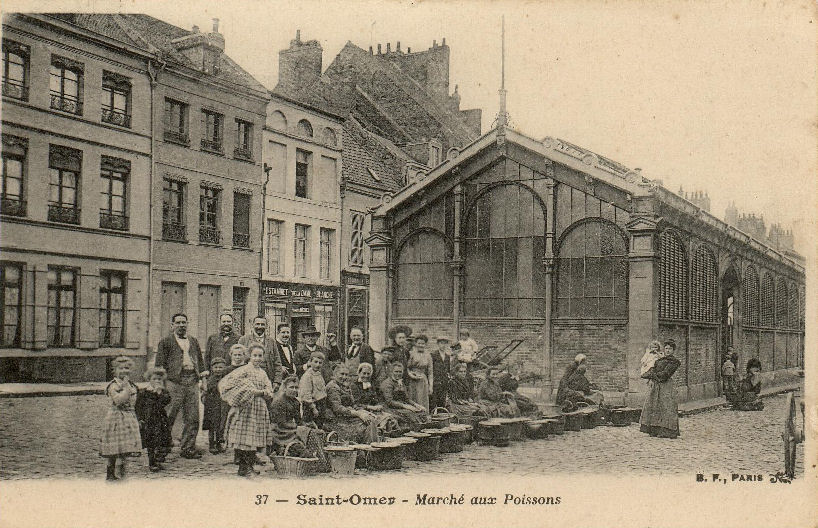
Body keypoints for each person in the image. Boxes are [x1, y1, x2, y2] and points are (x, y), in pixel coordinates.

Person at [154, 313, 207, 459]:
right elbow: (158, 366)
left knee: (192, 416)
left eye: (184, 322)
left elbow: (200, 363)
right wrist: (159, 385)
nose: (181, 325)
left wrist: (203, 383)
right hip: (174, 382)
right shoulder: (165, 342)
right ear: (172, 325)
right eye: (178, 323)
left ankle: (188, 447)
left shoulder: (193, 341)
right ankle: (162, 449)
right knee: (168, 416)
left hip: (192, 381)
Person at [219, 344, 275, 477]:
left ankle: (249, 465)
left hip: (259, 408)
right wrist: (251, 391)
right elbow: (230, 383)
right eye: (255, 355)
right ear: (250, 356)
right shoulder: (244, 370)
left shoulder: (263, 373)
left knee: (254, 438)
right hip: (246, 407)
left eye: (260, 356)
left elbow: (269, 388)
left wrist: (267, 392)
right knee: (244, 438)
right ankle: (243, 466)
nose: (257, 358)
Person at [100, 356, 142, 481]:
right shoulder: (113, 386)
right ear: (114, 370)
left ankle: (122, 471)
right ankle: (110, 473)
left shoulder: (131, 384)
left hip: (129, 417)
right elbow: (118, 400)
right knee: (114, 447)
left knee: (126, 446)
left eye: (127, 368)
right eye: (121, 368)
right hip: (116, 418)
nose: (124, 370)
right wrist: (126, 389)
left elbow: (136, 401)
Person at [323, 364, 379, 443]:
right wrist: (359, 414)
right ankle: (368, 448)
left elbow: (353, 404)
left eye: (346, 375)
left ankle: (371, 447)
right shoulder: (333, 387)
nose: (344, 377)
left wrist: (364, 412)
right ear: (335, 374)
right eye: (342, 374)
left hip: (347, 415)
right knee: (368, 423)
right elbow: (337, 408)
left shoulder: (345, 386)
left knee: (371, 418)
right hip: (336, 419)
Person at [640, 339, 681, 438]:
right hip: (656, 385)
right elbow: (651, 370)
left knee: (667, 407)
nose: (667, 351)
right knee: (654, 405)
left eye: (670, 349)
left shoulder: (674, 362)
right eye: (666, 348)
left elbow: (665, 374)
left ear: (673, 350)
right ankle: (655, 429)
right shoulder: (659, 360)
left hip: (666, 386)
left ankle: (668, 431)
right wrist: (646, 374)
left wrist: (652, 375)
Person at [135, 366, 172, 472]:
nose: (157, 381)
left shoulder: (163, 392)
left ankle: (159, 459)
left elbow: (166, 401)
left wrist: (159, 393)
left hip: (161, 419)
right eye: (154, 379)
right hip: (149, 420)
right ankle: (152, 463)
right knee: (151, 442)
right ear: (149, 379)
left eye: (159, 379)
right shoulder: (144, 392)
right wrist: (140, 418)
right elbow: (138, 407)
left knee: (162, 439)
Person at [238, 316, 283, 392]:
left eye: (262, 324)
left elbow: (277, 363)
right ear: (252, 325)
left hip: (268, 382)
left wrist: (277, 381)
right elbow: (238, 361)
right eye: (257, 324)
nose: (259, 326)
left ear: (266, 326)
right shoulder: (244, 340)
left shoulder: (271, 341)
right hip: (248, 382)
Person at [379, 362, 429, 429]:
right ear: (391, 372)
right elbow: (389, 401)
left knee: (421, 412)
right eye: (396, 371)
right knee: (411, 415)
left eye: (400, 372)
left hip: (400, 407)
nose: (398, 374)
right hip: (388, 408)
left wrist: (416, 405)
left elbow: (406, 399)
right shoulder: (387, 383)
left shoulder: (400, 382)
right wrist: (405, 406)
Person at [268, 376, 304, 455]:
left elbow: (299, 421)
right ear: (285, 388)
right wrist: (297, 428)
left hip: (289, 430)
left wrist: (304, 428)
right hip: (279, 432)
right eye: (291, 387)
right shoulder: (279, 402)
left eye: (296, 387)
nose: (294, 390)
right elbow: (281, 423)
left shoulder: (296, 402)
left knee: (312, 434)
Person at [202, 357, 230, 454]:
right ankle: (211, 444)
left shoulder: (226, 378)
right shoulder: (210, 379)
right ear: (212, 368)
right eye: (216, 367)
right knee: (212, 426)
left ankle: (218, 443)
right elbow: (206, 390)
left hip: (221, 405)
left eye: (221, 367)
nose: (218, 369)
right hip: (211, 405)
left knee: (219, 425)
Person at [298, 351, 328, 428]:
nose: (318, 365)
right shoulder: (307, 376)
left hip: (321, 405)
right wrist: (313, 408)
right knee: (312, 427)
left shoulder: (319, 374)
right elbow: (306, 394)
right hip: (312, 406)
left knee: (320, 425)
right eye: (315, 362)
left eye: (320, 363)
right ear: (310, 362)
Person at [406, 334, 433, 411]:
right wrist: (411, 375)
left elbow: (430, 372)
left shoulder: (428, 355)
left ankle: (423, 417)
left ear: (425, 344)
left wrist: (431, 386)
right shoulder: (411, 353)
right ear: (415, 344)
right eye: (419, 343)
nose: (421, 345)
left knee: (422, 399)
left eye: (423, 343)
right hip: (413, 380)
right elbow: (407, 368)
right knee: (413, 399)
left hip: (423, 380)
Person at [430, 336, 452, 410]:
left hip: (444, 382)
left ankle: (441, 415)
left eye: (445, 343)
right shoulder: (433, 355)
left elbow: (448, 369)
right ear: (438, 344)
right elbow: (430, 369)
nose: (443, 345)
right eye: (441, 343)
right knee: (433, 400)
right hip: (435, 381)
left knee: (442, 401)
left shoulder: (447, 356)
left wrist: (447, 377)